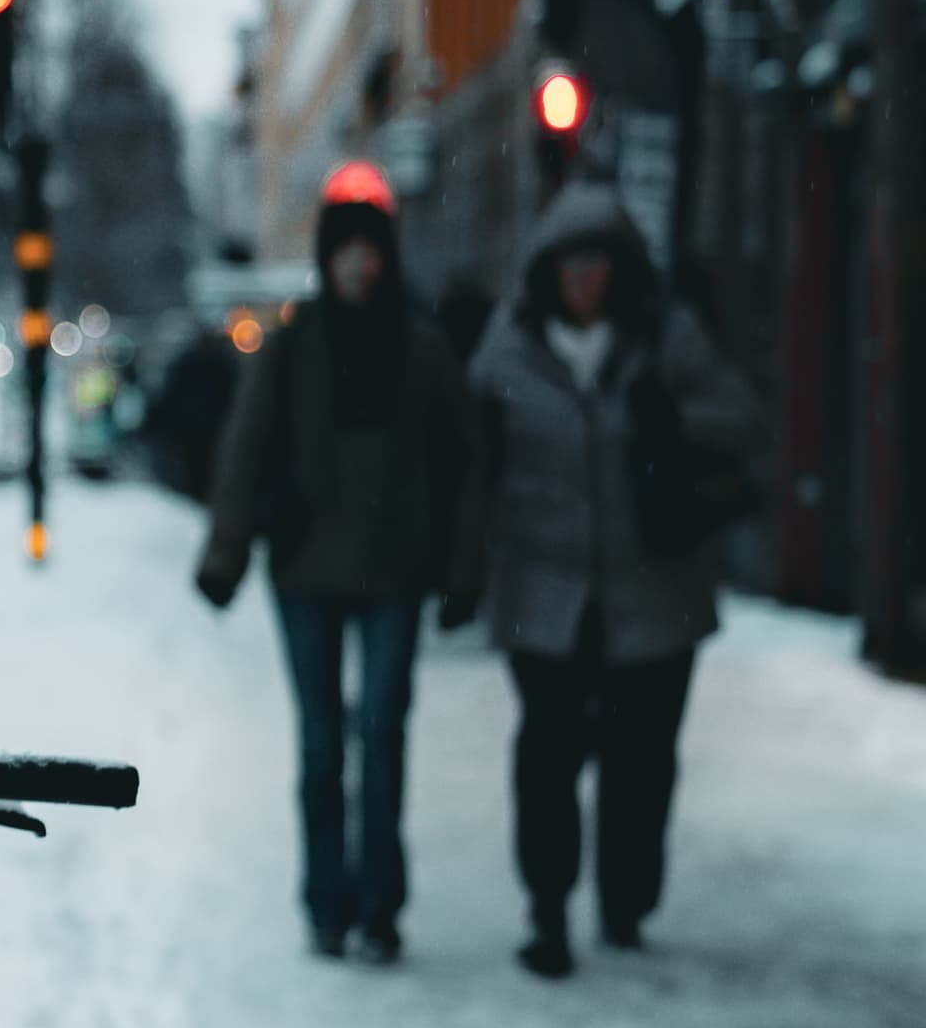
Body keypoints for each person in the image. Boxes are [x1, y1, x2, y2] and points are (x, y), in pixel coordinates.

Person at [465, 183, 762, 977]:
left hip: (654, 592)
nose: (582, 277)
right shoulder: (511, 343)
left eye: (596, 260)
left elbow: (741, 416)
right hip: (542, 591)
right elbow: (468, 446)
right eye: (569, 261)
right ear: (547, 270)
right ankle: (549, 911)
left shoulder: (666, 339)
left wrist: (675, 418)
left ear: (620, 269)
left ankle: (627, 902)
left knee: (641, 758)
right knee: (548, 757)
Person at [195, 165, 476, 961]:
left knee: (383, 736)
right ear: (328, 258)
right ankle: (327, 902)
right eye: (346, 250)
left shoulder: (420, 349)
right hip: (306, 569)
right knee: (322, 746)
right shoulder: (292, 347)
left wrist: (461, 572)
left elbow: (463, 462)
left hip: (394, 569)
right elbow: (245, 453)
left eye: (370, 249)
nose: (360, 264)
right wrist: (227, 552)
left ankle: (381, 904)